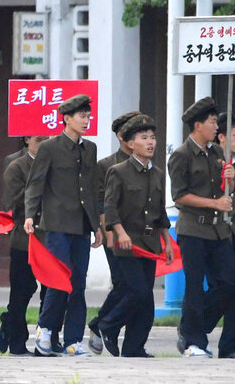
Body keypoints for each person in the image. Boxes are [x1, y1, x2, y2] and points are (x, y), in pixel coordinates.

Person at [24, 95, 102, 357]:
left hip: (82, 225)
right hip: (56, 223)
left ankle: (73, 340)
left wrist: (97, 225)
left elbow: (91, 189)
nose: (86, 121)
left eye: (88, 116)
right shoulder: (50, 147)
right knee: (59, 280)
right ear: (66, 118)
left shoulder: (89, 148)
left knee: (78, 283)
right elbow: (35, 183)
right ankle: (45, 329)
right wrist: (30, 215)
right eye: (81, 116)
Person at [168, 97, 235, 358]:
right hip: (193, 230)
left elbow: (226, 191)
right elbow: (179, 196)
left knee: (229, 282)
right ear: (197, 125)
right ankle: (193, 342)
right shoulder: (181, 155)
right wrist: (215, 202)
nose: (215, 126)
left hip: (218, 231)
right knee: (193, 286)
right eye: (212, 122)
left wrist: (230, 181)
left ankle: (192, 326)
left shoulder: (216, 153)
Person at [99, 114, 173, 357]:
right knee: (137, 292)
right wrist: (119, 232)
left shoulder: (159, 174)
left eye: (153, 137)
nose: (150, 142)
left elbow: (160, 211)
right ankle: (107, 324)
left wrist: (167, 241)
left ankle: (134, 347)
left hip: (149, 243)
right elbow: (110, 207)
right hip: (127, 243)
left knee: (146, 300)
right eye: (144, 138)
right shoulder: (118, 171)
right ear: (130, 143)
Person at [87, 110, 140, 355]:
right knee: (125, 284)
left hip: (141, 235)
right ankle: (105, 326)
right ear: (122, 136)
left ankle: (101, 325)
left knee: (132, 287)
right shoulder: (107, 165)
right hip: (116, 234)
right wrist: (107, 231)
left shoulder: (146, 164)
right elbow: (100, 200)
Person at [0, 135, 55, 356]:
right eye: (39, 139)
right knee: (22, 290)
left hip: (51, 236)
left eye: (47, 139)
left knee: (51, 292)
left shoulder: (56, 163)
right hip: (25, 236)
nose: (44, 144)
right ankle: (17, 341)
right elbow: (11, 203)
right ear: (27, 139)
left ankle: (47, 340)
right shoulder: (17, 166)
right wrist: (38, 184)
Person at [203, 112, 235, 358]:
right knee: (223, 286)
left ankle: (231, 344)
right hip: (213, 232)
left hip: (234, 235)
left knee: (234, 289)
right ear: (221, 137)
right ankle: (195, 327)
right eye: (234, 135)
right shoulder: (211, 163)